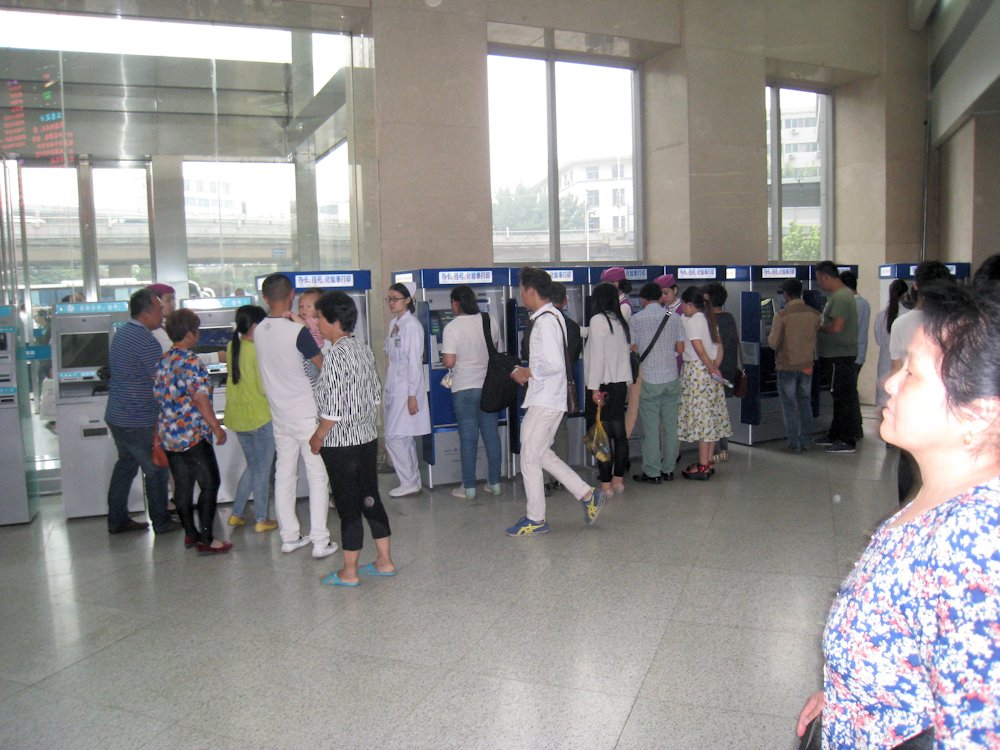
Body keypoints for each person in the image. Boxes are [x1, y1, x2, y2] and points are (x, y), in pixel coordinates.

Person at [796, 281, 1000, 749]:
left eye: (912, 374)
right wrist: (849, 691)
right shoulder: (936, 501)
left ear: (979, 414)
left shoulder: (976, 543)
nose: (889, 382)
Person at [506, 267, 607, 536]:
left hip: (546, 399)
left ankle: (536, 518)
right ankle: (587, 495)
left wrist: (527, 372)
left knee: (529, 457)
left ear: (530, 290)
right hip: (545, 397)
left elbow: (554, 364)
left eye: (521, 289)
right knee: (540, 453)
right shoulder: (550, 316)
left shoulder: (547, 321)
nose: (520, 294)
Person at [309, 291, 394, 587]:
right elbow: (374, 394)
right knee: (370, 498)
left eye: (319, 317)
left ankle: (349, 571)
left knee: (348, 506)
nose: (317, 323)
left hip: (341, 444)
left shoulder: (334, 356)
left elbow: (332, 410)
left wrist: (318, 436)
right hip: (366, 438)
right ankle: (384, 561)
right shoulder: (362, 349)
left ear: (333, 321)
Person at [254, 273, 338, 559]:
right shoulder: (297, 332)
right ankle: (320, 541)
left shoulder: (260, 329)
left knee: (284, 475)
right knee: (317, 475)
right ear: (291, 296)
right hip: (306, 413)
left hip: (279, 414)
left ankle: (289, 537)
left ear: (265, 298)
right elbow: (322, 364)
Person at [154, 309, 232, 554]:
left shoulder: (164, 360)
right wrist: (216, 428)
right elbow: (201, 400)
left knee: (183, 485)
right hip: (193, 435)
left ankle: (190, 533)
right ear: (189, 334)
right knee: (210, 483)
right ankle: (208, 539)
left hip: (169, 434)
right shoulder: (191, 362)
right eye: (196, 330)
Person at [104, 289, 174, 535]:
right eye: (159, 309)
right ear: (147, 312)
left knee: (126, 466)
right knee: (156, 469)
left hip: (117, 415)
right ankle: (162, 521)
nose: (162, 313)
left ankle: (117, 519)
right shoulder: (144, 339)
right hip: (137, 418)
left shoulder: (122, 334)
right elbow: (160, 378)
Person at [889, 261, 955, 505]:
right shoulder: (957, 323)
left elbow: (896, 370)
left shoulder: (901, 324)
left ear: (916, 286)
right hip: (947, 409)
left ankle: (907, 513)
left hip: (914, 408)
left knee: (909, 468)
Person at [441, 284, 502, 500]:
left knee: (468, 437)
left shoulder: (452, 328)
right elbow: (495, 348)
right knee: (491, 435)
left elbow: (449, 361)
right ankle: (494, 483)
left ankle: (468, 488)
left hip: (464, 388)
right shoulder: (489, 320)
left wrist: (444, 358)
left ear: (455, 303)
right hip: (488, 387)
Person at [224, 305, 278, 533]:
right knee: (263, 470)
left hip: (238, 417)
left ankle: (237, 513)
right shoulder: (257, 350)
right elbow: (262, 387)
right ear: (255, 326)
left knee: (254, 466)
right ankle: (262, 519)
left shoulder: (231, 346)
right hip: (259, 417)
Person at [630, 281, 685, 483]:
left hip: (650, 379)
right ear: (661, 297)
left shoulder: (636, 320)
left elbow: (633, 349)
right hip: (671, 378)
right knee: (671, 426)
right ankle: (669, 469)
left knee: (651, 428)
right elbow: (680, 349)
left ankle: (653, 472)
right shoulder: (674, 318)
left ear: (643, 300)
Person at [584, 282, 634, 495]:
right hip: (620, 384)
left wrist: (594, 389)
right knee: (619, 435)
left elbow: (597, 357)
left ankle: (605, 484)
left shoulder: (597, 320)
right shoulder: (619, 321)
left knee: (600, 435)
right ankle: (618, 480)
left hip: (601, 385)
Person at [677, 286, 731, 480]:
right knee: (712, 418)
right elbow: (719, 346)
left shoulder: (692, 321)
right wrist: (715, 368)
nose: (681, 308)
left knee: (701, 421)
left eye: (683, 304)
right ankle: (707, 462)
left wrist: (709, 367)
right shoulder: (708, 318)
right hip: (711, 374)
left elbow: (699, 350)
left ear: (690, 304)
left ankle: (701, 466)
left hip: (697, 373)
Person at [383, 282, 430, 497]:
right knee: (404, 435)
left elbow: (414, 362)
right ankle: (412, 480)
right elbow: (389, 351)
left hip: (407, 388)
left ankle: (409, 481)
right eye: (389, 299)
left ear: (408, 300)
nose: (391, 303)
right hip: (395, 385)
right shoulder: (395, 323)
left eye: (395, 299)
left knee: (394, 436)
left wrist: (412, 395)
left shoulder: (412, 326)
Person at [767, 279, 821, 452]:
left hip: (787, 366)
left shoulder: (781, 315)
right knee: (805, 402)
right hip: (807, 365)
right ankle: (806, 441)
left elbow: (774, 343)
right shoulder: (814, 314)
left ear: (786, 294)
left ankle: (794, 442)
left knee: (790, 405)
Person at [813, 261, 860, 454]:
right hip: (837, 355)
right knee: (839, 395)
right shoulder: (841, 295)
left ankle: (846, 439)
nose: (819, 284)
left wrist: (818, 327)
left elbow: (837, 327)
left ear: (825, 277)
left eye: (819, 279)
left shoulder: (840, 297)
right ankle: (834, 433)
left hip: (839, 356)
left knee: (842, 397)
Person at [705, 282, 739, 462]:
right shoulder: (729, 318)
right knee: (720, 410)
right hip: (727, 371)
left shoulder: (707, 320)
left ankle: (717, 449)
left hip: (712, 371)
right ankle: (722, 448)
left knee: (711, 412)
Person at [840, 269, 869, 441]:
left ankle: (853, 430)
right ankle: (856, 428)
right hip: (858, 353)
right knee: (851, 391)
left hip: (851, 354)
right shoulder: (863, 302)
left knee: (848, 393)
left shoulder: (854, 304)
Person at [873, 278, 908, 408]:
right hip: (902, 359)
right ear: (905, 294)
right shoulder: (907, 315)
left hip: (884, 358)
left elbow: (878, 339)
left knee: (884, 399)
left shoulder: (881, 315)